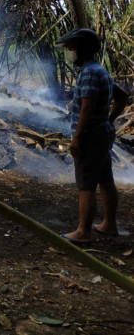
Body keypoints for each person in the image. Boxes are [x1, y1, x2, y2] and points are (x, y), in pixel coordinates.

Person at [56, 28, 129, 244]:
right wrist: (109, 120)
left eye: (71, 48)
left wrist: (77, 138)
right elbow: (122, 96)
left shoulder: (88, 73)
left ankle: (83, 232)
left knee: (86, 185)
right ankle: (109, 225)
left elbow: (86, 109)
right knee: (105, 180)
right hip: (102, 134)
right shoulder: (100, 70)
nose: (69, 52)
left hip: (90, 137)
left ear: (81, 49)